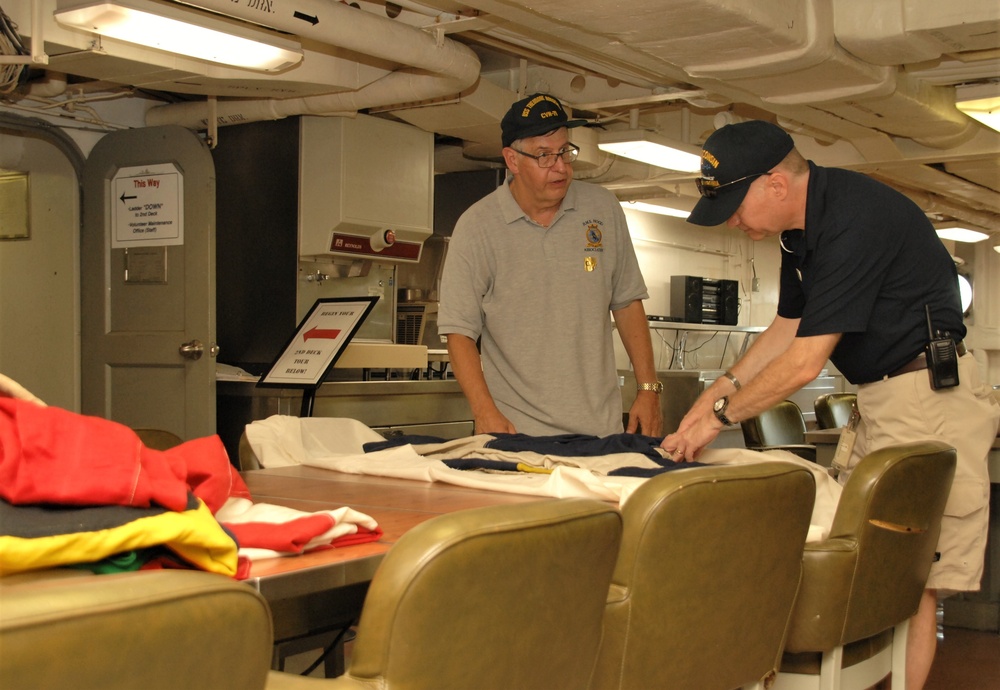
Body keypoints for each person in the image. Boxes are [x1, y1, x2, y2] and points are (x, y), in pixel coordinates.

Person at [660, 119, 1000, 689]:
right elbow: (788, 326)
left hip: (927, 397)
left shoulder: (854, 217)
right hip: (883, 395)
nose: (736, 224)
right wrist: (720, 388)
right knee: (855, 559)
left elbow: (805, 363)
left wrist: (720, 420)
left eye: (736, 208)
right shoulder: (801, 232)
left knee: (910, 577)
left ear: (773, 183)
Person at [438, 93, 662, 438]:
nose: (560, 167)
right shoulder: (477, 226)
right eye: (544, 156)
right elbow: (459, 332)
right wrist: (484, 412)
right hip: (516, 433)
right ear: (512, 160)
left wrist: (648, 390)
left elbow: (628, 302)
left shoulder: (602, 209)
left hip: (599, 433)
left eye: (564, 152)